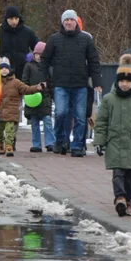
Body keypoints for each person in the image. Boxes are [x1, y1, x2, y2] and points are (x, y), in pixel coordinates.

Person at [40, 9, 101, 156]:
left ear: (76, 22)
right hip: (60, 84)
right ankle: (60, 141)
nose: (68, 22)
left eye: (71, 20)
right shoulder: (54, 39)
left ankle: (77, 146)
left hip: (80, 85)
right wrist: (43, 79)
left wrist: (97, 81)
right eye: (66, 20)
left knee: (80, 117)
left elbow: (94, 61)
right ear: (62, 22)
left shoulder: (86, 40)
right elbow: (45, 60)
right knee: (60, 113)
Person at [93, 54, 131, 217]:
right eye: (122, 81)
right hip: (115, 142)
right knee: (118, 173)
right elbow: (102, 122)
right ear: (117, 81)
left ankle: (128, 199)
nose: (124, 84)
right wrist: (99, 141)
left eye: (128, 81)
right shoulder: (109, 99)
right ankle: (120, 198)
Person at [0, 56, 45, 156]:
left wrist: (37, 88)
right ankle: (0, 145)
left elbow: (26, 89)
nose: (4, 70)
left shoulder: (16, 82)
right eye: (1, 68)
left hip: (11, 111)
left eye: (6, 68)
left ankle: (9, 147)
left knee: (10, 131)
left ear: (9, 70)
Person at [22, 42, 55, 152]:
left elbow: (52, 82)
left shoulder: (48, 67)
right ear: (34, 54)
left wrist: (50, 92)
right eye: (37, 54)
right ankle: (36, 144)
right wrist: (30, 89)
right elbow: (24, 81)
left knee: (47, 120)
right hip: (32, 97)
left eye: (42, 54)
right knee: (34, 122)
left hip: (45, 97)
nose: (39, 56)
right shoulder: (29, 66)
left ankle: (50, 142)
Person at [0, 6, 39, 80]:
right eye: (11, 19)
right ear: (6, 19)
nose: (14, 21)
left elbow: (38, 48)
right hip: (4, 71)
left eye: (16, 19)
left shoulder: (28, 32)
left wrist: (32, 61)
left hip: (23, 71)